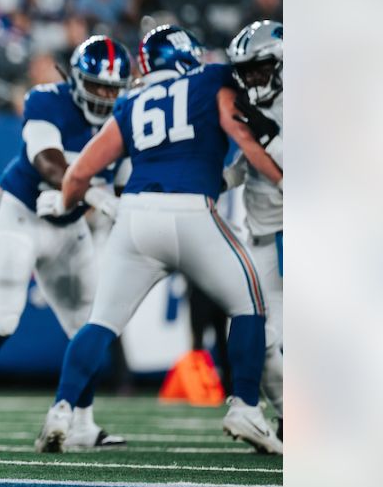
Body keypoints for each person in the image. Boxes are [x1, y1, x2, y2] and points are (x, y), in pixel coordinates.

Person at [35, 24, 283, 455]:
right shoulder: (210, 79)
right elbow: (239, 130)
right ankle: (245, 406)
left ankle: (60, 410)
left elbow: (79, 172)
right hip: (192, 213)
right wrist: (284, 178)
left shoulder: (131, 99)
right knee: (250, 306)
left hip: (134, 218)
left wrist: (65, 200)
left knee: (101, 322)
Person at [0, 36, 131, 451]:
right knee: (2, 318)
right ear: (76, 79)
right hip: (20, 215)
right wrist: (93, 193)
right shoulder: (48, 100)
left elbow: (127, 184)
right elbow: (47, 162)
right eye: (97, 85)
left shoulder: (129, 116)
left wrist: (113, 200)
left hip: (70, 225)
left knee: (89, 324)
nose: (105, 95)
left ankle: (83, 424)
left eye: (113, 88)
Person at [223, 19, 284, 439]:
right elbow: (251, 164)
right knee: (256, 333)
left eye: (259, 68)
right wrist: (219, 181)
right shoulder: (259, 108)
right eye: (245, 71)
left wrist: (262, 131)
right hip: (261, 234)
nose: (251, 79)